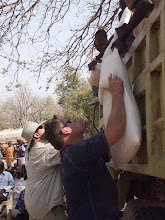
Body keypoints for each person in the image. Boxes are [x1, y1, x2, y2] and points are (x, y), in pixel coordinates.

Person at [45, 74, 126, 220]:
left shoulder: (72, 154)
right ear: (66, 131)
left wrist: (79, 133)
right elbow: (117, 130)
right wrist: (117, 93)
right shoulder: (75, 153)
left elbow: (107, 153)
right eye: (69, 122)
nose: (74, 122)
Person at [21, 121, 67, 220]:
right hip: (46, 206)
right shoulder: (43, 148)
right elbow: (69, 150)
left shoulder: (32, 150)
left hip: (34, 203)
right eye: (41, 127)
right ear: (36, 135)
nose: (45, 128)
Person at [88, 29, 109, 106]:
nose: (99, 47)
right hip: (102, 80)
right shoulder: (97, 59)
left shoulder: (111, 48)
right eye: (97, 45)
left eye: (102, 44)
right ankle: (96, 95)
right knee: (95, 68)